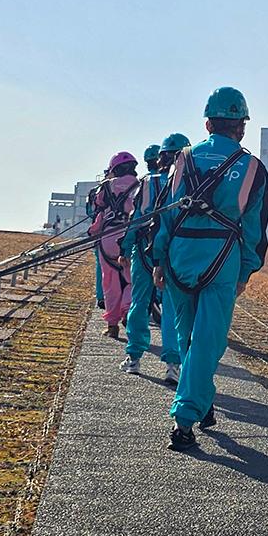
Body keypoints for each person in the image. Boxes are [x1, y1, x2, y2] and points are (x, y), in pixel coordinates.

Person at [153, 88, 268, 450]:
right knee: (208, 340)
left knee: (188, 336)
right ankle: (184, 419)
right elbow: (254, 229)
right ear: (242, 127)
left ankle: (203, 404)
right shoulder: (252, 167)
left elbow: (167, 212)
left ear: (207, 123)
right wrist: (245, 271)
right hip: (222, 259)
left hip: (180, 255)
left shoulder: (183, 160)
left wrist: (159, 258)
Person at [119, 138, 188, 382]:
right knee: (172, 308)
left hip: (144, 248)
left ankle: (134, 358)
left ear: (161, 157)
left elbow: (135, 218)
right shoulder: (187, 182)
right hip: (173, 253)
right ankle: (172, 365)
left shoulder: (147, 182)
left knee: (139, 301)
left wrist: (125, 248)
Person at [89, 152, 139, 338]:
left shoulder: (106, 186)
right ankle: (127, 312)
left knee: (110, 282)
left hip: (107, 238)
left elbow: (98, 207)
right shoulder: (141, 185)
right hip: (130, 237)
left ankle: (112, 325)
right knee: (130, 280)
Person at [85, 176, 107, 310]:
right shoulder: (132, 185)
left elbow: (89, 212)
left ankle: (101, 296)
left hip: (99, 232)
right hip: (121, 230)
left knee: (100, 265)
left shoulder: (96, 190)